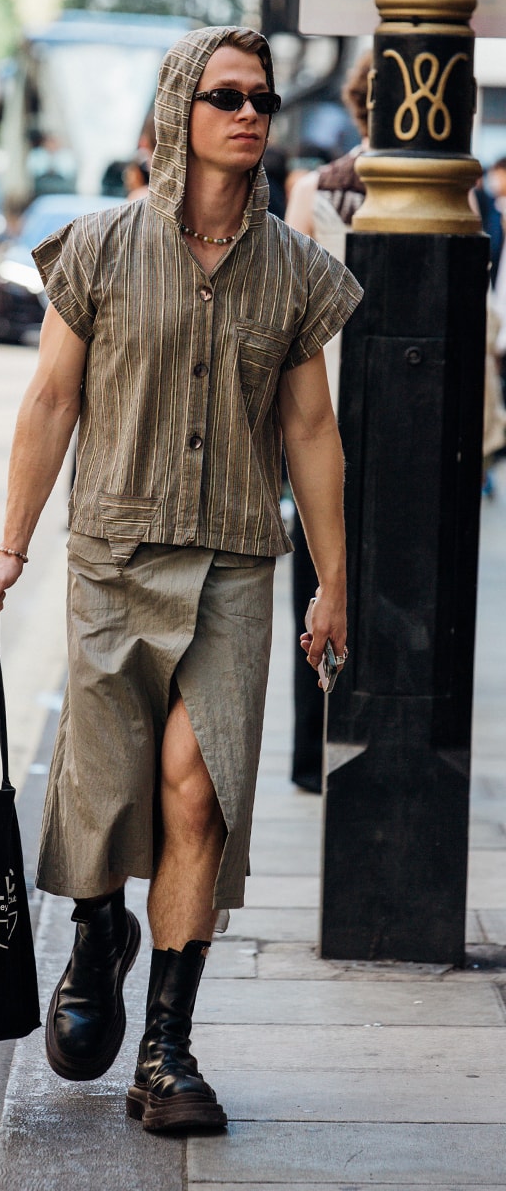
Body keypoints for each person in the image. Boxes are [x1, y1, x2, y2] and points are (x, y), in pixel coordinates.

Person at [0, 25, 362, 1133]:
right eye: (226, 95)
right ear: (180, 112)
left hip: (235, 567)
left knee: (197, 794)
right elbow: (49, 404)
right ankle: (96, 939)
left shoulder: (294, 271)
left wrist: (331, 581)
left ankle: (166, 1055)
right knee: (104, 797)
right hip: (111, 555)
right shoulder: (93, 249)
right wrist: (10, 546)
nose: (250, 113)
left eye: (263, 99)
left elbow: (311, 431)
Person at [284, 50, 371, 793]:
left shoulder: (315, 190)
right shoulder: (456, 194)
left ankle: (312, 755)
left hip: (321, 410)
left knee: (313, 579)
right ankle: (366, 737)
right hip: (395, 426)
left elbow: (285, 314)